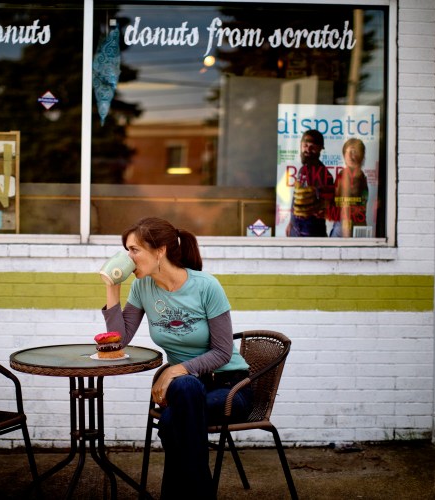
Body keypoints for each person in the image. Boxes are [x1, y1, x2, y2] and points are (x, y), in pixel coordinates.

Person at [102, 217, 252, 499]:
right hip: (189, 389)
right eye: (126, 251)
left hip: (229, 389)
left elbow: (222, 352)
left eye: (134, 250)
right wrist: (112, 287)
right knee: (185, 391)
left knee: (173, 422)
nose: (128, 258)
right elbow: (118, 342)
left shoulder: (206, 286)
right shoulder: (142, 288)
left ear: (160, 251)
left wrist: (173, 371)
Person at [286, 129, 335, 237]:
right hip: (295, 230)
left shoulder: (325, 175)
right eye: (305, 145)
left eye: (313, 146)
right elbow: (295, 199)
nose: (308, 149)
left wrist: (320, 208)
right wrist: (291, 222)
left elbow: (328, 207)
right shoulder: (302, 169)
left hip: (312, 233)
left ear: (320, 149)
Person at [330, 138, 369, 238]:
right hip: (345, 227)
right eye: (348, 153)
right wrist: (346, 234)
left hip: (358, 224)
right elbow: (344, 205)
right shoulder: (345, 175)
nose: (352, 157)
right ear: (344, 156)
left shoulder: (360, 176)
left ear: (362, 155)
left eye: (355, 152)